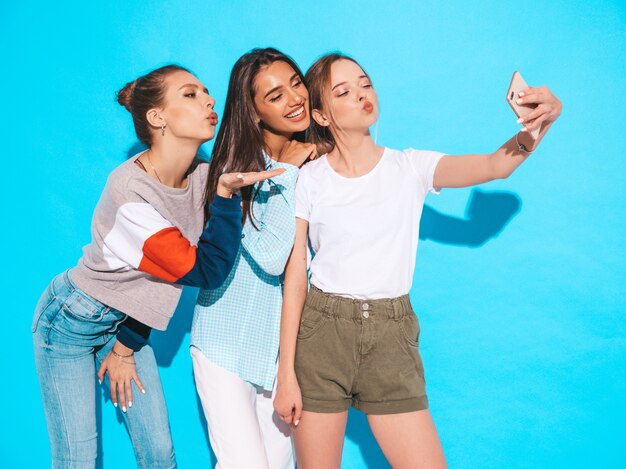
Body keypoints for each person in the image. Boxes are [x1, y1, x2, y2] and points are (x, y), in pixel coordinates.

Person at [274, 53, 562, 468]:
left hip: (391, 336)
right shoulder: (309, 179)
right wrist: (287, 374)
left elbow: (495, 166)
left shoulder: (409, 166)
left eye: (364, 83)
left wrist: (540, 124)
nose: (361, 94)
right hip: (321, 335)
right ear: (320, 114)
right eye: (343, 91)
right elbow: (295, 276)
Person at [32, 64, 282, 469]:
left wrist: (127, 344)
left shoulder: (201, 176)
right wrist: (224, 197)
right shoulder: (129, 191)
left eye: (206, 91)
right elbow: (202, 271)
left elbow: (156, 283)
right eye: (190, 94)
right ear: (157, 117)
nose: (209, 99)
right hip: (71, 323)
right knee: (78, 458)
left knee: (159, 454)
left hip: (126, 319)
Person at [190, 48, 316, 469]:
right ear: (255, 112)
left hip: (274, 352)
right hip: (224, 345)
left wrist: (288, 368)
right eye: (275, 95)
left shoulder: (309, 158)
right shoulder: (237, 168)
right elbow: (271, 254)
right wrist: (288, 173)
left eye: (296, 83)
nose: (295, 98)